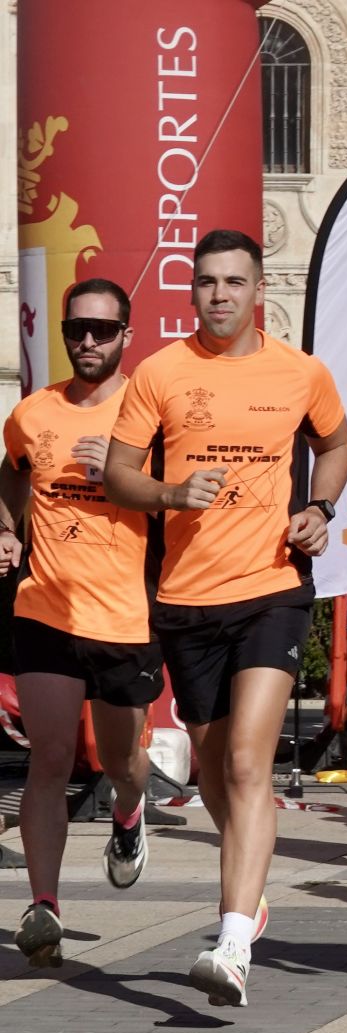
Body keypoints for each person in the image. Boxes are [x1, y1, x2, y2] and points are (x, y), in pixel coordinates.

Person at [105, 230, 347, 1008]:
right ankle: (253, 885)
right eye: (206, 282)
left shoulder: (300, 371)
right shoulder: (161, 372)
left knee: (248, 763)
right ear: (192, 292)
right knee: (217, 772)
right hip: (185, 598)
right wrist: (172, 496)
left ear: (257, 291)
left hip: (272, 589)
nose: (219, 295)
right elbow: (117, 473)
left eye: (234, 282)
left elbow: (339, 444)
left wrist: (319, 505)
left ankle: (233, 939)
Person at [0, 279, 158, 967]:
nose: (88, 341)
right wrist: (8, 528)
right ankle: (43, 907)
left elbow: (181, 506)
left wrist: (124, 476)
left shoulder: (149, 416)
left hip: (124, 612)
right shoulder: (33, 412)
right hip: (46, 605)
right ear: (64, 334)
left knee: (124, 764)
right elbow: (11, 471)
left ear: (128, 334)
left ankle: (128, 814)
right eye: (77, 330)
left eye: (103, 330)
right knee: (50, 757)